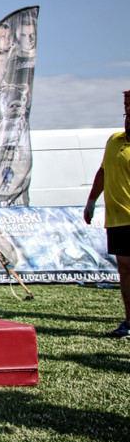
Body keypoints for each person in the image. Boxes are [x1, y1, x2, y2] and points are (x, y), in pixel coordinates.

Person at [84, 90, 130, 338]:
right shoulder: (114, 141)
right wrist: (91, 200)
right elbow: (102, 172)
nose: (128, 119)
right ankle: (129, 322)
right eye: (127, 113)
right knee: (124, 271)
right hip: (117, 220)